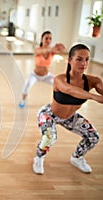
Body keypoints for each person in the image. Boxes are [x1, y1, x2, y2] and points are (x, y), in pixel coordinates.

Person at [32, 44, 102, 175]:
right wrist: (94, 97)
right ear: (70, 60)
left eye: (87, 59)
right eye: (79, 59)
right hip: (50, 114)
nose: (84, 63)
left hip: (70, 117)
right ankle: (38, 158)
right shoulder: (60, 79)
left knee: (93, 137)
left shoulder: (92, 81)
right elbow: (70, 90)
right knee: (49, 137)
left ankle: (77, 157)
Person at [19, 31, 66, 108]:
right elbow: (44, 50)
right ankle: (22, 101)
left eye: (50, 38)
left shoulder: (52, 51)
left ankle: (60, 102)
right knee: (26, 85)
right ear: (41, 40)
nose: (48, 40)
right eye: (46, 38)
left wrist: (61, 47)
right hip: (35, 75)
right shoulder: (37, 50)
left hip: (46, 76)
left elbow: (62, 51)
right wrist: (52, 49)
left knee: (59, 84)